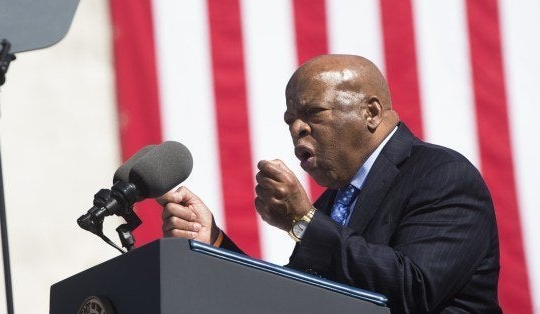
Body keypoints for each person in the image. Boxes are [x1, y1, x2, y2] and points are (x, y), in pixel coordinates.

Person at [158, 54, 501, 313]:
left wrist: (303, 222)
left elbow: (414, 291)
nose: (297, 129)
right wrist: (214, 244)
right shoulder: (333, 202)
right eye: (290, 120)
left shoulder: (441, 174)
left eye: (313, 113)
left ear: (371, 112)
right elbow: (289, 299)